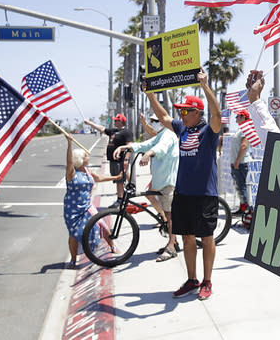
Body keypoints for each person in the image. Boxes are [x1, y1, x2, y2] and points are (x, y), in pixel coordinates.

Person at [145, 67, 221, 301]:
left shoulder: (209, 131)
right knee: (187, 237)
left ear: (196, 113)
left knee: (206, 238)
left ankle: (207, 281)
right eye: (181, 111)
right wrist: (150, 95)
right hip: (184, 193)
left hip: (205, 194)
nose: (181, 115)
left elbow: (217, 115)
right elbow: (165, 117)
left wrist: (205, 87)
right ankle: (192, 279)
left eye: (185, 111)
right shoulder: (182, 129)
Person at [114, 114, 180, 262]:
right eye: (152, 121)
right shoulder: (160, 135)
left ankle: (171, 246)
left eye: (155, 121)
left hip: (168, 181)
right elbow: (146, 144)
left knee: (170, 215)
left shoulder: (168, 135)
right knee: (152, 198)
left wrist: (149, 154)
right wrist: (127, 147)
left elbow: (160, 149)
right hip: (160, 180)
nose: (153, 123)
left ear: (163, 122)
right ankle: (172, 238)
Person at [63, 133, 121, 269]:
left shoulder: (87, 171)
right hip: (73, 209)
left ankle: (112, 245)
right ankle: (73, 260)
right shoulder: (71, 173)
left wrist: (116, 177)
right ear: (80, 159)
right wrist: (70, 144)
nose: (88, 157)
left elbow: (99, 178)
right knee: (73, 234)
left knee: (102, 224)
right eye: (86, 156)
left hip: (87, 206)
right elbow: (69, 162)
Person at [84, 114, 133, 206]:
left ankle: (120, 199)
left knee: (119, 180)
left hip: (120, 160)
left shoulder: (126, 132)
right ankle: (130, 188)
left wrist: (126, 159)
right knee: (120, 178)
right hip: (112, 160)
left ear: (121, 122)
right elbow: (102, 129)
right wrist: (90, 123)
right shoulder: (113, 131)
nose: (114, 122)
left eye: (116, 121)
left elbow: (130, 146)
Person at [231, 109, 253, 212]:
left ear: (243, 118)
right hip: (239, 163)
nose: (235, 118)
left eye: (237, 116)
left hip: (241, 163)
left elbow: (244, 146)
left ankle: (245, 210)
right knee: (240, 186)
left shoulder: (245, 130)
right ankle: (243, 207)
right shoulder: (241, 129)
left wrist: (237, 161)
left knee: (241, 186)